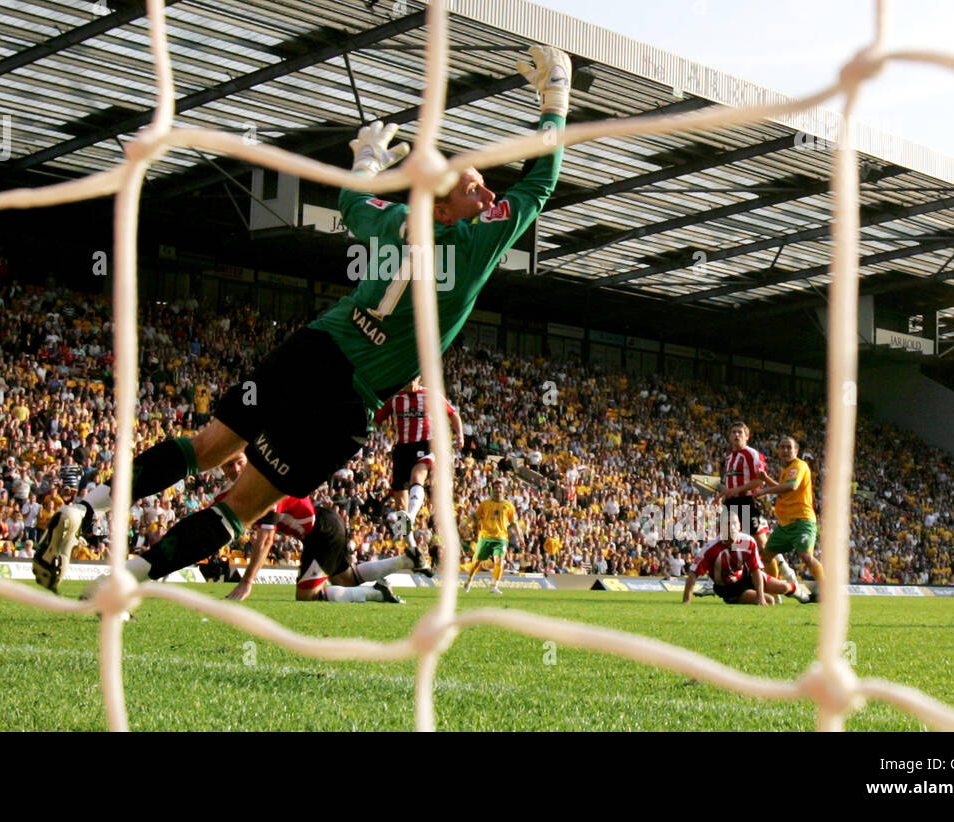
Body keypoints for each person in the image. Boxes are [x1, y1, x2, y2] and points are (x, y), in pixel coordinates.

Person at [34, 44, 571, 593]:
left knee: (205, 448)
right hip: (347, 402)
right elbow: (540, 182)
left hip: (312, 352)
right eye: (473, 187)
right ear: (443, 209)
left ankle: (86, 505)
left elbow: (352, 201)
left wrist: (367, 158)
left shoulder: (394, 221)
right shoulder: (476, 240)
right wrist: (554, 99)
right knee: (240, 509)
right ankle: (124, 580)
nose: (488, 193)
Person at [223, 455, 433, 604]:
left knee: (306, 596)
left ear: (249, 460)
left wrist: (246, 582)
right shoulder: (247, 487)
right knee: (345, 579)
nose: (236, 470)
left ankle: (377, 593)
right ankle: (405, 561)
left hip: (321, 531)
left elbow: (266, 539)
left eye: (239, 462)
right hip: (324, 524)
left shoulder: (265, 487)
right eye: (228, 466)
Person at [373, 377, 463, 539]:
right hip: (402, 449)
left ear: (419, 377)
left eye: (413, 377)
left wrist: (460, 436)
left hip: (425, 444)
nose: (409, 381)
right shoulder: (395, 398)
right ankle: (404, 539)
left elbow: (453, 414)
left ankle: (412, 516)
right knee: (400, 501)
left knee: (417, 475)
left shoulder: (430, 395)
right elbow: (377, 419)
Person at [718, 420, 800, 589]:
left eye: (740, 432)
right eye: (733, 432)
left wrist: (737, 490)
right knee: (731, 543)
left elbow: (759, 480)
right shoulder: (728, 457)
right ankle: (732, 581)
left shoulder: (752, 454)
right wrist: (721, 495)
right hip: (730, 504)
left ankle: (781, 574)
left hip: (746, 502)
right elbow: (728, 483)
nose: (736, 435)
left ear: (747, 437)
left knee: (762, 546)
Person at [681, 511, 809, 605]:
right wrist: (686, 601)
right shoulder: (710, 549)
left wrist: (760, 596)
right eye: (727, 524)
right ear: (720, 528)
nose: (731, 527)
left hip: (746, 576)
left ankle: (807, 597)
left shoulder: (748, 542)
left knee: (784, 588)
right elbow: (693, 574)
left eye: (734, 524)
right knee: (770, 601)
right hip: (729, 588)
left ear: (739, 527)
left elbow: (756, 570)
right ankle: (740, 598)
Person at [753, 436, 823, 594]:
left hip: (802, 520)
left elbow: (791, 486)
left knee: (805, 555)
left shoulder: (799, 465)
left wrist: (764, 490)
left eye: (789, 447)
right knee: (766, 556)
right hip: (785, 524)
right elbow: (783, 489)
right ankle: (772, 592)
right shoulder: (786, 471)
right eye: (782, 447)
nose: (785, 450)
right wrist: (766, 479)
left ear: (796, 451)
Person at [463, 478, 524, 595]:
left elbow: (514, 523)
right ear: (492, 490)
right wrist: (466, 523)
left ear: (504, 490)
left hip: (501, 538)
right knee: (476, 562)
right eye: (495, 488)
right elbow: (475, 516)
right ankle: (469, 581)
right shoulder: (485, 504)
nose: (498, 490)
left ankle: (494, 585)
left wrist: (520, 537)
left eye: (500, 488)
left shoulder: (508, 506)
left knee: (499, 561)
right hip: (485, 537)